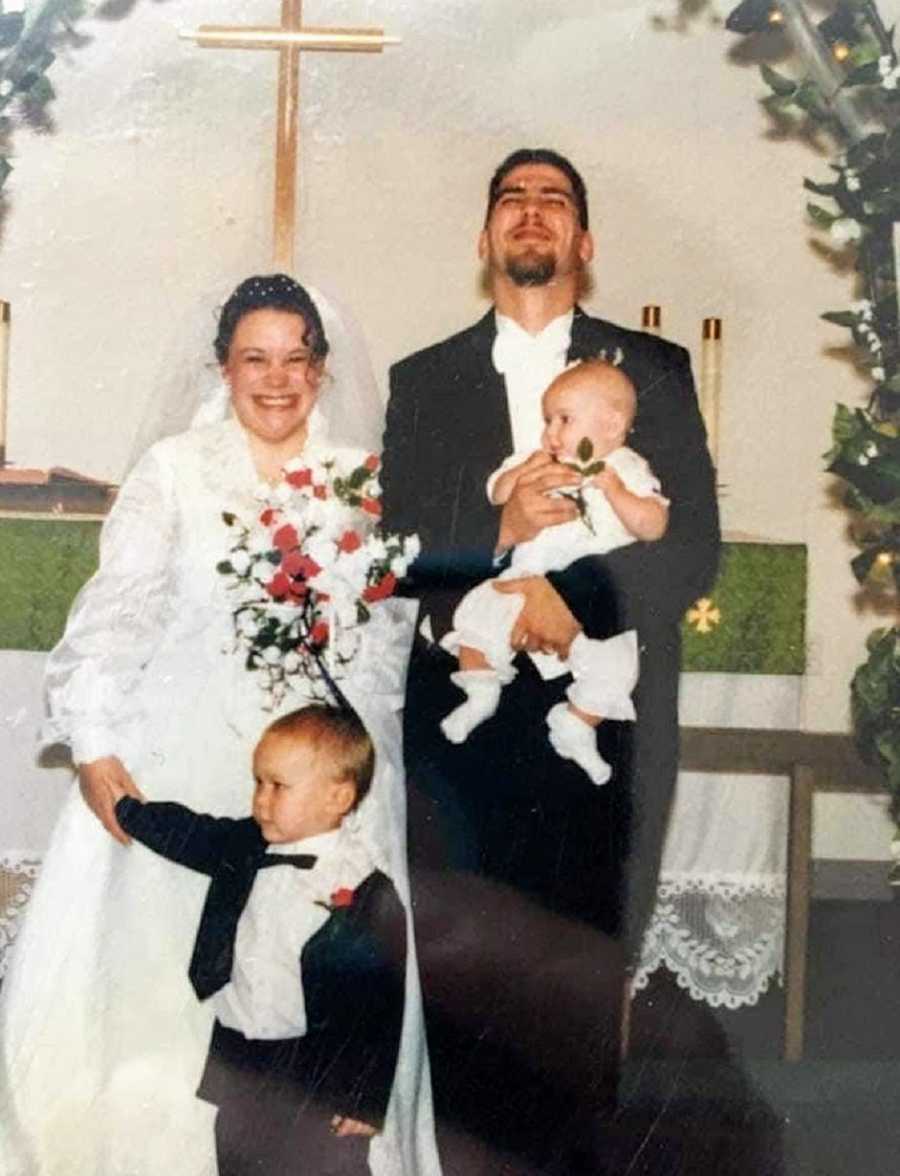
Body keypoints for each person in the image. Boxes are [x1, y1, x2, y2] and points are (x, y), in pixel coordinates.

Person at [0, 275, 440, 1176]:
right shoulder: (175, 470)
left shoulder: (361, 480)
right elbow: (116, 618)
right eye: (254, 359)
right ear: (223, 367)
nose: (275, 381)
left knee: (327, 966)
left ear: (321, 368)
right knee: (169, 976)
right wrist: (92, 744)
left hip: (317, 767)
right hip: (189, 749)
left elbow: (387, 634)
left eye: (295, 359)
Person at [382, 148, 719, 1166]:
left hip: (603, 722)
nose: (532, 213)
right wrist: (495, 543)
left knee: (580, 989)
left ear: (584, 243)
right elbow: (398, 548)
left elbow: (693, 544)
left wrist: (574, 603)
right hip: (465, 725)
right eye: (512, 200)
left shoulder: (652, 372)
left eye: (554, 201)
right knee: (462, 981)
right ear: (485, 238)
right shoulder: (424, 378)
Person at [112, 705, 407, 1176]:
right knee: (237, 1157)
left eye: (278, 786)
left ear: (338, 797)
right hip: (245, 1056)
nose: (261, 800)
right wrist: (128, 812)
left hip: (317, 1073)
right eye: (258, 783)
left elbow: (382, 1005)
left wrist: (365, 1099)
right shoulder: (246, 845)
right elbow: (193, 833)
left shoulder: (364, 887)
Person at [440, 358, 668, 787]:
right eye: (548, 421)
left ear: (613, 425)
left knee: (616, 668)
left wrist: (615, 491)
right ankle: (480, 693)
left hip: (587, 607)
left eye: (563, 419)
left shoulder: (627, 467)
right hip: (520, 582)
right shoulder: (540, 458)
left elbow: (653, 524)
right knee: (475, 620)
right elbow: (496, 492)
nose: (551, 433)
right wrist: (521, 475)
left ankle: (577, 726)